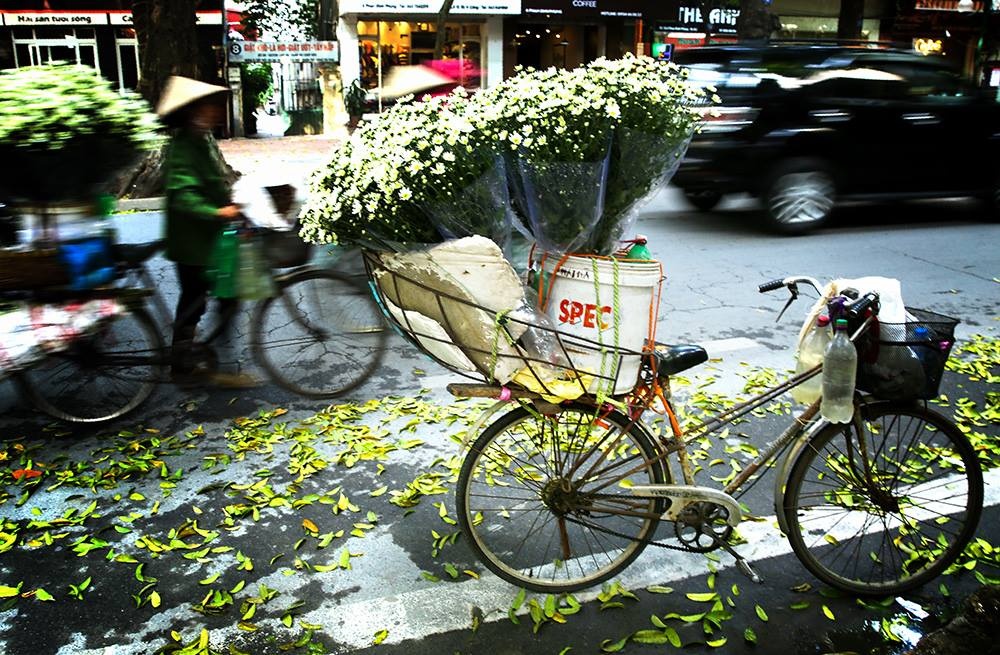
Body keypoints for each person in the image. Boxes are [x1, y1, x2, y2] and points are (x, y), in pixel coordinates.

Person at [156, 76, 256, 388]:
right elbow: (183, 196)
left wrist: (232, 206)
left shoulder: (205, 141)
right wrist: (218, 212)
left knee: (226, 296)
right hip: (192, 242)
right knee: (195, 302)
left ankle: (205, 359)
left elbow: (215, 182)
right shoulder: (182, 147)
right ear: (192, 113)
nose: (215, 112)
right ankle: (187, 364)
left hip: (210, 238)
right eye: (208, 107)